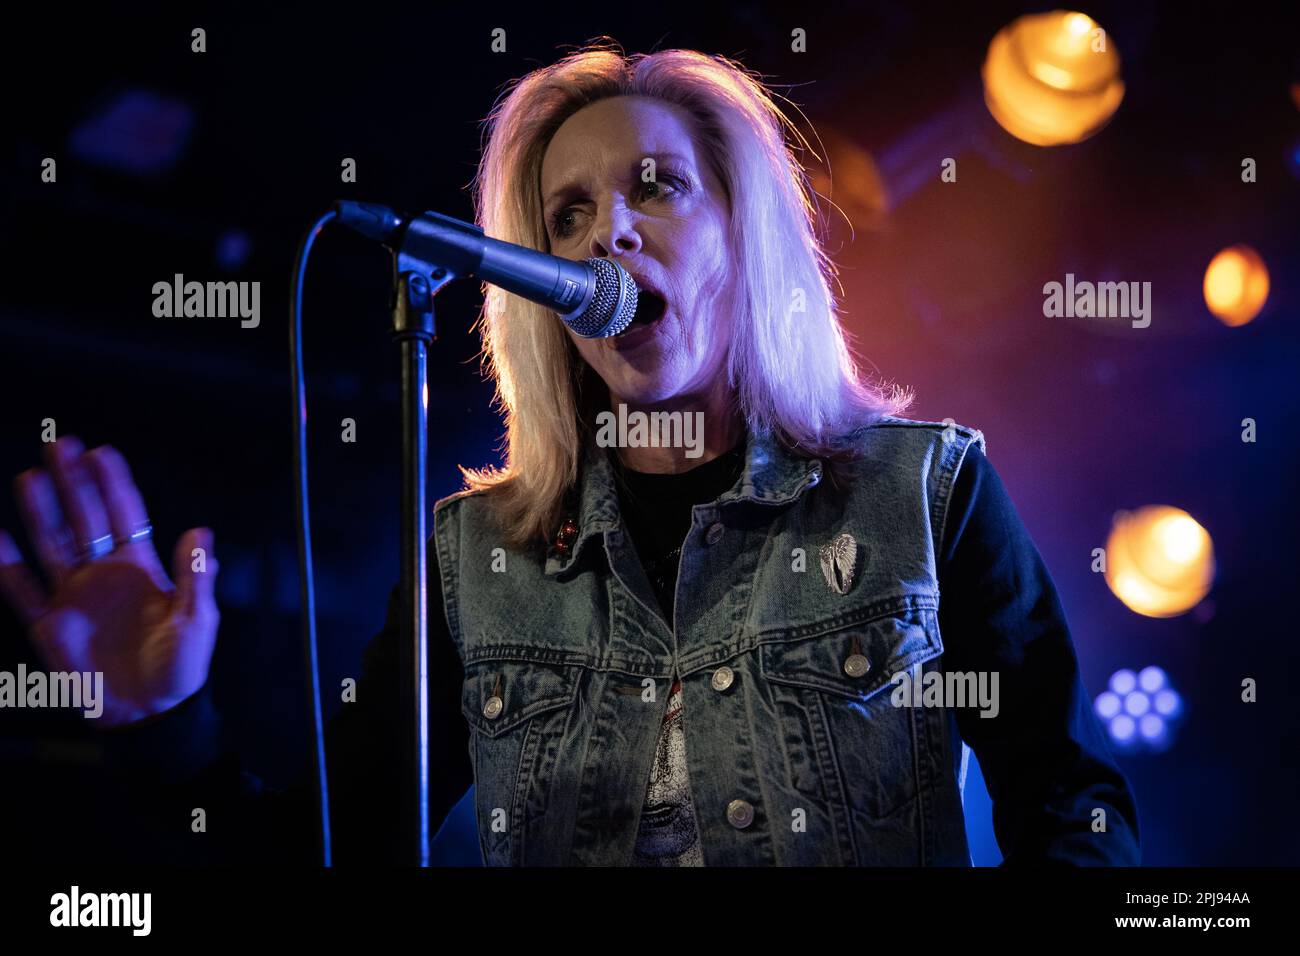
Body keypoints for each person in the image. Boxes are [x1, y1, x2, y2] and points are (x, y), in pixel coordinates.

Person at [0, 42, 1139, 866]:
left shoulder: (922, 492)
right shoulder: (475, 559)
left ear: (745, 238)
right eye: (566, 216)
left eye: (656, 186)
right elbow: (322, 849)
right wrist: (165, 722)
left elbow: (1071, 803)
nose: (609, 234)